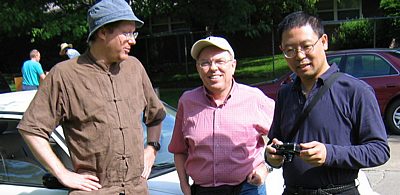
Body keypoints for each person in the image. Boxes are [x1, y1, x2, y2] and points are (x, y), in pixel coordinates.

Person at [17, 0, 166, 194]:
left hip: (136, 189)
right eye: (126, 33)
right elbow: (31, 129)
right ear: (103, 32)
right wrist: (62, 173)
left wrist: (152, 148)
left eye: (134, 33)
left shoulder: (134, 67)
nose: (133, 40)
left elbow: (156, 114)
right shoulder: (65, 75)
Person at [265, 11, 390, 195]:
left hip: (338, 191)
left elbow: (379, 150)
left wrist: (330, 154)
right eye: (289, 50)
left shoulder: (355, 91)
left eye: (306, 46)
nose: (299, 56)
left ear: (323, 41)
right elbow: (275, 142)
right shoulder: (285, 94)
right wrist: (272, 157)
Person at [168, 36, 275, 195]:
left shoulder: (254, 98)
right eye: (205, 63)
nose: (213, 68)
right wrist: (184, 186)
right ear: (198, 68)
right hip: (203, 191)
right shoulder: (187, 102)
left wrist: (266, 168)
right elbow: (179, 150)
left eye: (220, 61)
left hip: (247, 189)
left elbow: (283, 136)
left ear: (233, 66)